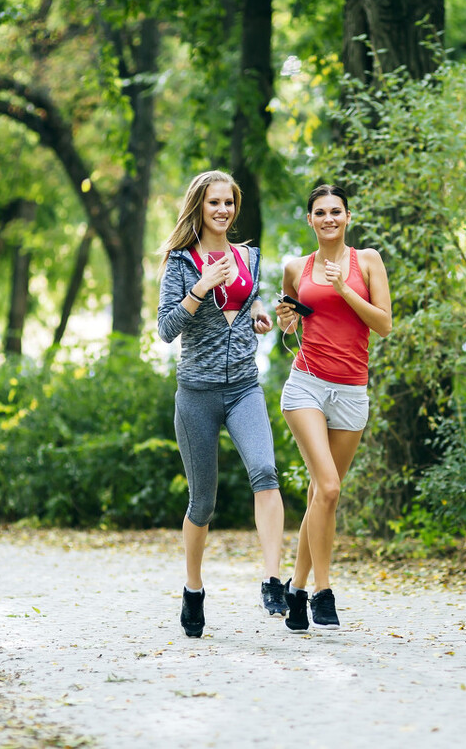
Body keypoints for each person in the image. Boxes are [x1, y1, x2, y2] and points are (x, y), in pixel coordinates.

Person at [156, 170, 286, 638]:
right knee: (203, 503)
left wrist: (256, 310)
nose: (223, 210)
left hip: (245, 388)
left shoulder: (249, 254)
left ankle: (272, 580)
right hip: (197, 395)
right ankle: (193, 588)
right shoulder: (180, 262)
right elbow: (166, 329)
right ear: (200, 206)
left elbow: (249, 296)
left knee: (265, 472)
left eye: (229, 202)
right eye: (214, 202)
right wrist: (200, 288)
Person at [274, 184, 392, 631]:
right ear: (310, 220)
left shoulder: (367, 261)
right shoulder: (296, 267)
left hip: (352, 391)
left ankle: (296, 589)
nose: (328, 218)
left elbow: (384, 325)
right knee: (328, 489)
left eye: (336, 211)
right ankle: (323, 591)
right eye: (320, 212)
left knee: (319, 496)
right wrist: (287, 317)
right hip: (306, 385)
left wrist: (344, 289)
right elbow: (290, 308)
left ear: (348, 217)